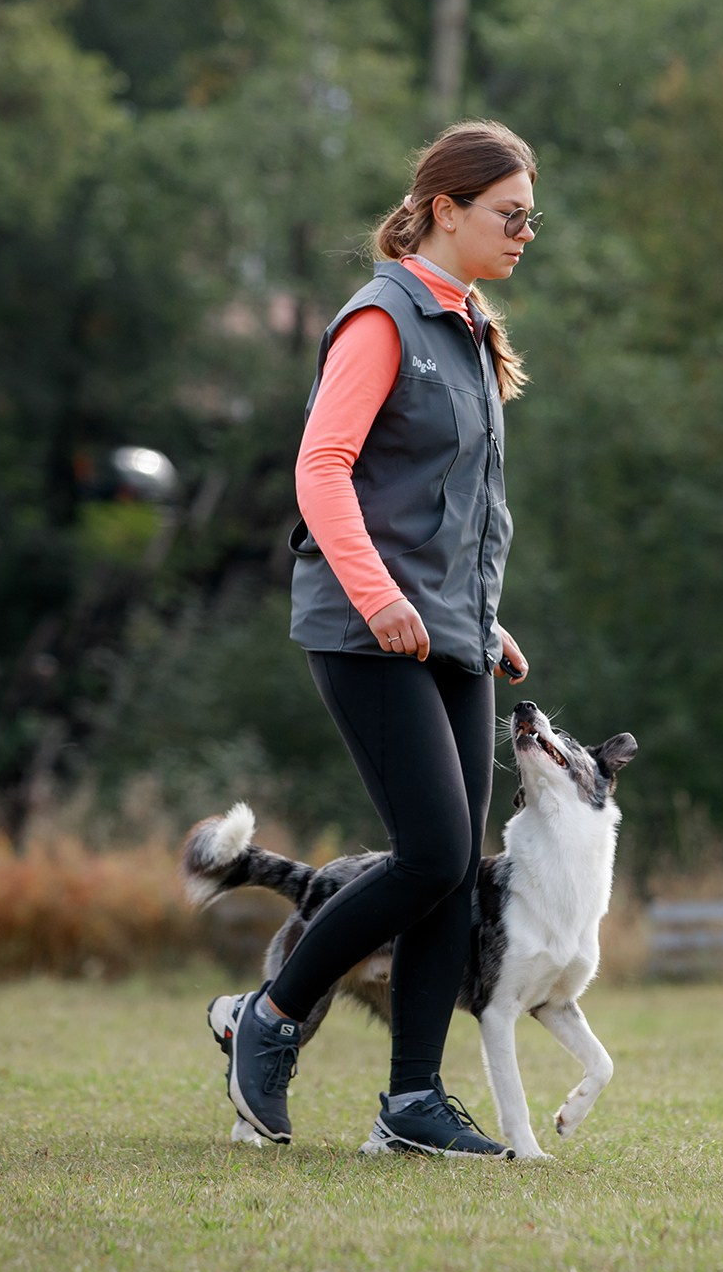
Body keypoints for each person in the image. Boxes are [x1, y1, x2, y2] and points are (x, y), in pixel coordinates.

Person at [222, 121, 541, 1158]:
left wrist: (479, 616)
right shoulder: (381, 317)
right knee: (434, 851)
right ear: (446, 209)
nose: (524, 233)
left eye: (530, 218)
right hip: (365, 629)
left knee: (453, 871)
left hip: (446, 631)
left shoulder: (468, 326)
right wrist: (379, 596)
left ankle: (412, 1101)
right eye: (508, 215)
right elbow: (321, 469)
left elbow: (443, 506)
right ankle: (270, 1016)